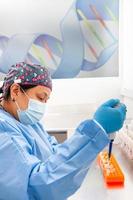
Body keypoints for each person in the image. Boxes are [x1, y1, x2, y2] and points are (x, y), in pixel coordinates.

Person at [0, 62, 126, 200]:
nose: (42, 105)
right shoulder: (3, 132)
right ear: (15, 91)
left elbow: (54, 153)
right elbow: (34, 188)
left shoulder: (29, 123)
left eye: (46, 100)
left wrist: (89, 143)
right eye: (41, 98)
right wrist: (95, 131)